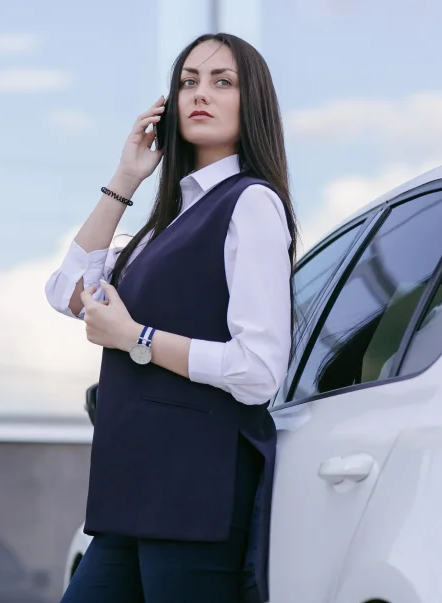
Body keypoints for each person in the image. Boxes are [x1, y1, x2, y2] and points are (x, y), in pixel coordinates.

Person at [45, 32, 298, 603]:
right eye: (187, 82)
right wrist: (126, 178)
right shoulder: (164, 226)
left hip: (196, 498)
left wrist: (138, 338)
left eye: (221, 81)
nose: (199, 94)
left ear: (250, 101)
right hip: (130, 498)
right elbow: (64, 290)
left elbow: (258, 370)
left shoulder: (250, 203)